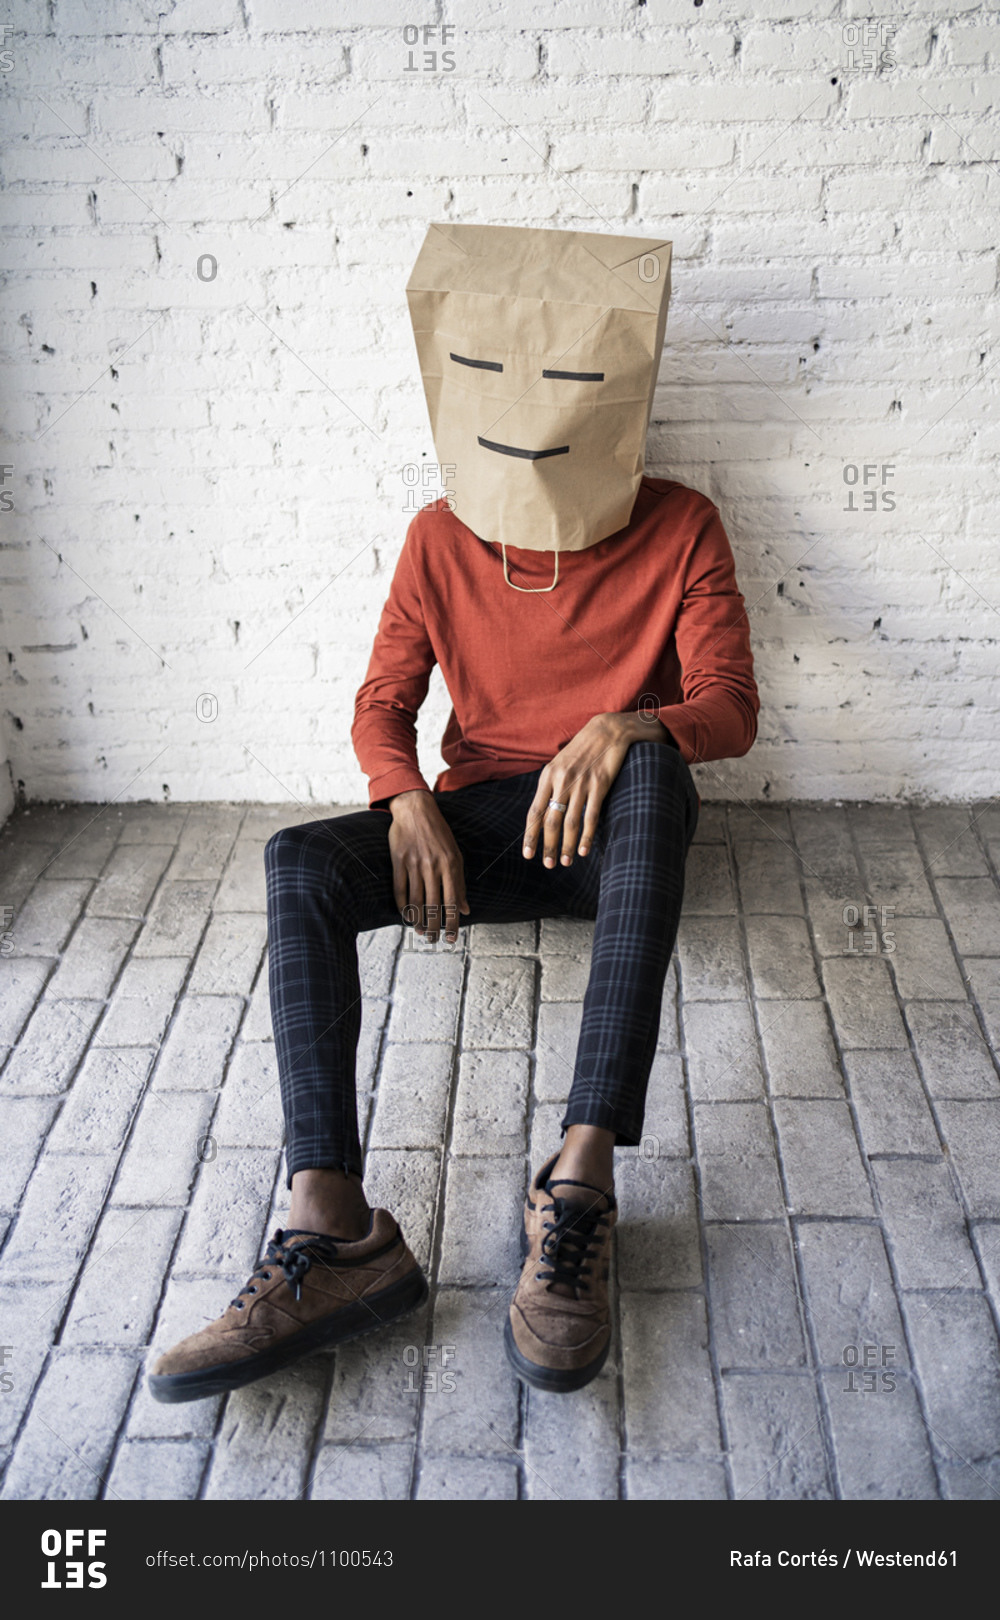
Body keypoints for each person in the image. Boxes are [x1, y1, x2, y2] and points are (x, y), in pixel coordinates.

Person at [148, 224, 758, 1405]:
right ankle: (333, 1230)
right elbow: (383, 702)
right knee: (297, 860)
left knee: (654, 772)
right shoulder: (438, 536)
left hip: (617, 841)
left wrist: (629, 723)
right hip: (481, 827)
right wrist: (408, 799)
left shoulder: (681, 525)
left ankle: (576, 1185)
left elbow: (729, 708)